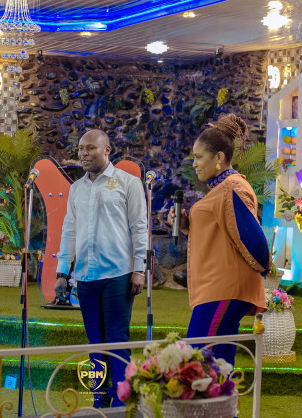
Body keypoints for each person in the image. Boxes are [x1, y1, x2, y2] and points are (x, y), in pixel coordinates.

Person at [54, 129, 148, 408]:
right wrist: (62, 271)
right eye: (81, 149)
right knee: (95, 341)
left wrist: (139, 269)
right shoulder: (76, 188)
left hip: (119, 274)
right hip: (85, 276)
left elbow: (139, 228)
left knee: (117, 339)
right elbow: (69, 230)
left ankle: (123, 401)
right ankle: (99, 400)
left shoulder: (128, 183)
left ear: (107, 150)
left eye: (90, 148)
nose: (83, 153)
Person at [169, 114, 269, 365]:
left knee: (199, 363)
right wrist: (187, 226)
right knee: (218, 365)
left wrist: (265, 266)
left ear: (218, 158)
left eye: (199, 157)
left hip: (223, 289)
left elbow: (255, 241)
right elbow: (223, 234)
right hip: (218, 289)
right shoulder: (222, 190)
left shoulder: (232, 188)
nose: (194, 163)